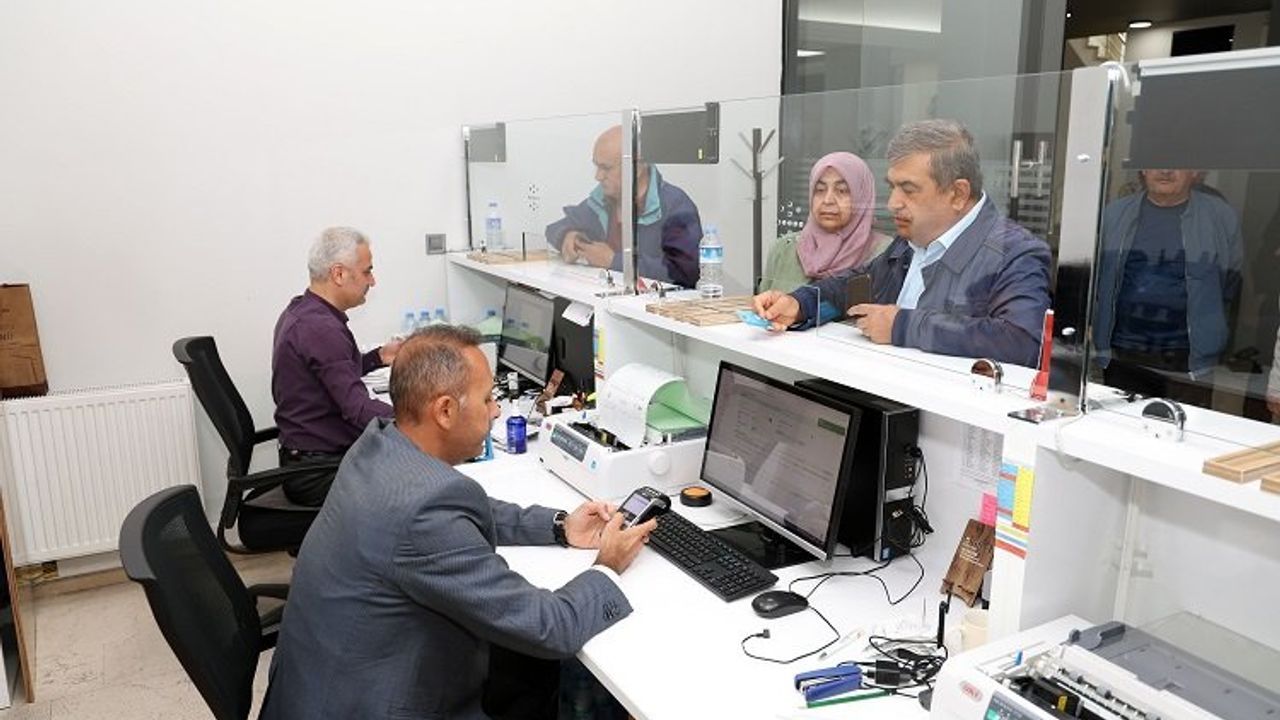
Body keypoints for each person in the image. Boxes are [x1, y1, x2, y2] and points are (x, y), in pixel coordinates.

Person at [260, 324, 655, 720]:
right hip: (373, 706)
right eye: (487, 399)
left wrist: (559, 526)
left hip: (324, 687)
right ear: (445, 411)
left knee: (524, 669)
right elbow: (550, 627)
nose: (496, 410)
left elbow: (460, 509)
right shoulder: (424, 513)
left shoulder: (378, 446)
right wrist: (608, 565)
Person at [752, 119, 1052, 368]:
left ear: (958, 194)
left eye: (908, 190)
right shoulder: (912, 240)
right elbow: (855, 285)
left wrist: (903, 326)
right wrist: (800, 304)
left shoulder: (1015, 254)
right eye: (892, 187)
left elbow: (1024, 342)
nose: (893, 203)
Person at [271, 227, 401, 506]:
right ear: (339, 274)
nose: (373, 281)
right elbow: (358, 409)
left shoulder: (303, 310)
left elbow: (331, 372)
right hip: (318, 472)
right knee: (417, 481)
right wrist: (420, 418)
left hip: (308, 457)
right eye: (367, 271)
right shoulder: (321, 328)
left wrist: (379, 356)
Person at [1092, 169, 1243, 405]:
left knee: (1185, 426)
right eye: (1157, 161)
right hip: (1123, 353)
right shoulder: (1115, 214)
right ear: (1143, 169)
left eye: (1177, 162)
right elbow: (1096, 275)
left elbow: (1230, 282)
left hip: (1189, 359)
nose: (1165, 170)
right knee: (1121, 426)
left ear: (1195, 171)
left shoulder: (1219, 216)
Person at [545, 125, 703, 288]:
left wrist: (613, 261)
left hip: (651, 302)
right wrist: (567, 236)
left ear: (636, 167)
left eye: (606, 168)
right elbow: (554, 228)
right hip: (603, 299)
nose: (598, 176)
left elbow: (685, 272)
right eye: (596, 166)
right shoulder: (602, 200)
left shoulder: (675, 206)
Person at [760, 151, 890, 294]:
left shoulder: (886, 254)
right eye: (820, 190)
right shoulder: (784, 249)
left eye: (842, 191)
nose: (828, 200)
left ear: (862, 196)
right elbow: (762, 305)